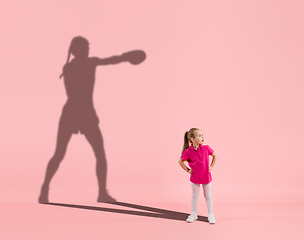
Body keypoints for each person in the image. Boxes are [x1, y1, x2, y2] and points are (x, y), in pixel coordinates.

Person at [38, 36, 146, 204]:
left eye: (88, 47)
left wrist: (126, 57)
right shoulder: (84, 64)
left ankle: (99, 192)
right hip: (80, 114)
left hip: (76, 114)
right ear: (76, 50)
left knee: (89, 154)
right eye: (85, 47)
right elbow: (110, 61)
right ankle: (46, 189)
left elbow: (110, 61)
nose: (88, 50)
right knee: (68, 154)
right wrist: (127, 57)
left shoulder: (71, 66)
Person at [178, 128, 218, 224]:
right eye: (199, 136)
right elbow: (180, 161)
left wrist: (211, 167)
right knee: (194, 196)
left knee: (208, 196)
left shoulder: (206, 148)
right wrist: (187, 170)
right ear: (192, 139)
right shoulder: (188, 151)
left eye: (202, 135)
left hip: (206, 177)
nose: (202, 137)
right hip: (195, 177)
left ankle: (210, 214)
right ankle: (194, 213)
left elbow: (215, 155)